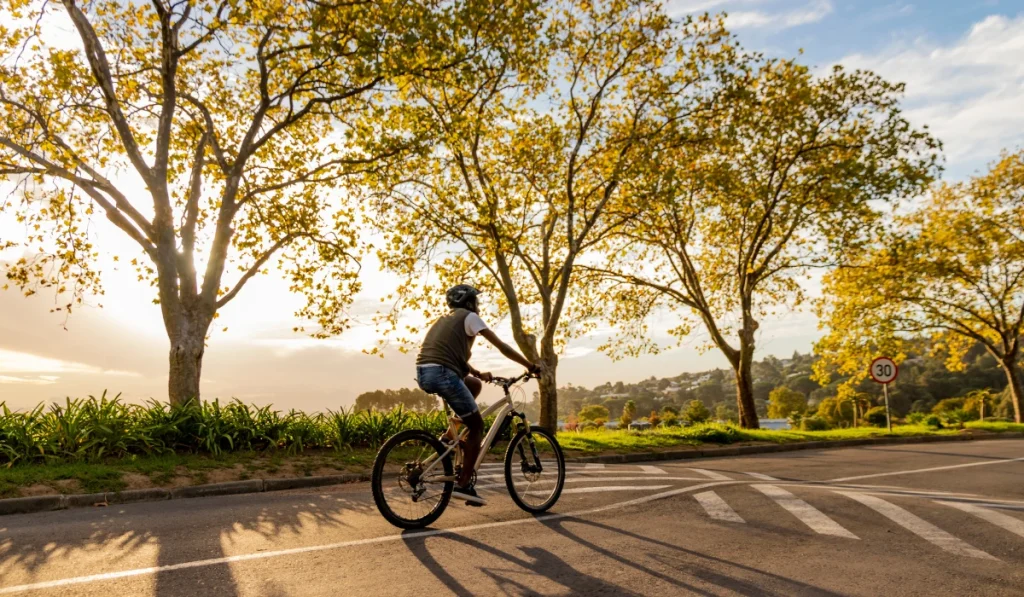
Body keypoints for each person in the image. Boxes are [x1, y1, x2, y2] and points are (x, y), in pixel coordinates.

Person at [416, 284, 540, 506]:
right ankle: (464, 484)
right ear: (469, 302)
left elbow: (448, 354)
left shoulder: (445, 320)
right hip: (443, 373)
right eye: (476, 301)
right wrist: (530, 365)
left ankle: (450, 437)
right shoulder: (470, 317)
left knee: (473, 384)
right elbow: (501, 346)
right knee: (477, 426)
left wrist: (476, 373)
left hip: (426, 372)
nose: (478, 305)